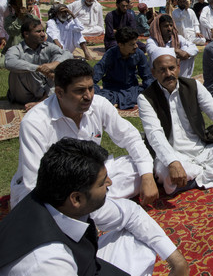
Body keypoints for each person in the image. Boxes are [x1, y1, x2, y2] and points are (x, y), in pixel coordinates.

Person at [0, 138, 189, 276]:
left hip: (83, 274)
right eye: (101, 183)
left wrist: (176, 260)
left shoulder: (59, 200)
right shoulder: (48, 265)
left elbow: (132, 214)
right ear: (76, 198)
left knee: (139, 242)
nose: (110, 182)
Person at [10, 59, 159, 208]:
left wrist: (147, 177)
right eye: (80, 91)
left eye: (91, 88)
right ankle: (95, 206)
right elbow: (35, 181)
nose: (88, 96)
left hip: (92, 178)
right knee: (41, 207)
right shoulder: (35, 122)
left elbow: (130, 137)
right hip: (55, 188)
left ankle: (95, 204)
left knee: (139, 166)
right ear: (60, 93)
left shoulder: (99, 104)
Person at [138, 49, 213, 194]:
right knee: (163, 171)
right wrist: (172, 162)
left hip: (202, 150)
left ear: (178, 67)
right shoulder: (146, 98)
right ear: (154, 73)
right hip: (173, 154)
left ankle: (193, 179)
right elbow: (155, 134)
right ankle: (206, 174)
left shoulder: (193, 86)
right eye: (162, 70)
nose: (168, 74)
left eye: (171, 68)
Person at [5, 16, 71, 106]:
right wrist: (38, 68)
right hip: (23, 95)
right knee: (24, 67)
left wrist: (53, 65)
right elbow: (9, 63)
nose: (43, 34)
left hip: (45, 91)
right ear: (26, 34)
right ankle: (46, 100)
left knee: (60, 60)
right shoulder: (16, 49)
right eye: (38, 31)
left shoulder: (47, 46)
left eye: (43, 31)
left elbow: (68, 54)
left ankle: (42, 101)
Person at [93, 27, 153, 109]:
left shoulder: (139, 54)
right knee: (96, 94)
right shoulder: (110, 54)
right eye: (132, 44)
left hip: (131, 89)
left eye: (136, 43)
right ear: (120, 44)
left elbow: (147, 76)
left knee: (146, 92)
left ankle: (116, 101)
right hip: (112, 89)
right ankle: (120, 101)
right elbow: (97, 72)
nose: (136, 46)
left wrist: (152, 90)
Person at [146, 14, 198, 78]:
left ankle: (182, 79)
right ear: (159, 28)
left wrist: (186, 53)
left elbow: (194, 48)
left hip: (177, 71)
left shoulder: (177, 38)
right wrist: (175, 50)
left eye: (171, 25)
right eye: (166, 26)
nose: (169, 28)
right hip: (160, 74)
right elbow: (153, 51)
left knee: (186, 50)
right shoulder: (152, 40)